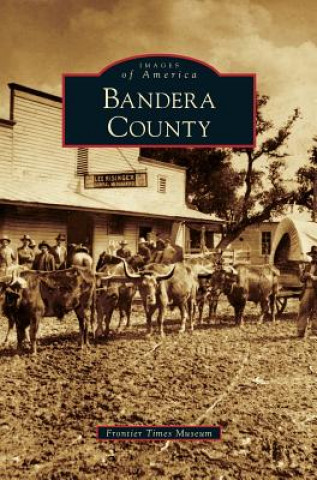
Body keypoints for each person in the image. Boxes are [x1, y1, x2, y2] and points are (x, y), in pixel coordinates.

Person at [297, 245, 317, 338]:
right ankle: (301, 331)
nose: (314, 257)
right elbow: (301, 279)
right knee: (303, 309)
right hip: (307, 290)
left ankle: (315, 332)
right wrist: (304, 275)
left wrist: (314, 277)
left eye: (316, 255)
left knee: (316, 311)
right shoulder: (308, 266)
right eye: (313, 255)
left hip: (316, 291)